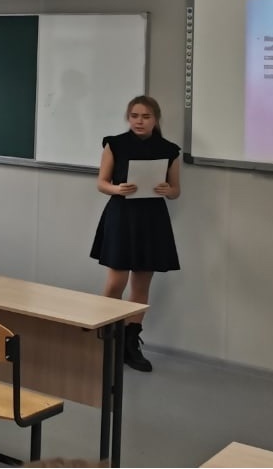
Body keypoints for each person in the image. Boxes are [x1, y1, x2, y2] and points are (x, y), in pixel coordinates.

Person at [90, 95, 181, 372]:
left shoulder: (169, 149)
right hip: (122, 215)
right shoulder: (114, 144)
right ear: (128, 118)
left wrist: (168, 190)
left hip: (152, 218)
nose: (139, 121)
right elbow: (102, 183)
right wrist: (117, 189)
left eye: (146, 117)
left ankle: (130, 343)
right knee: (116, 281)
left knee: (141, 284)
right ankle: (107, 339)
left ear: (156, 119)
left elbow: (176, 191)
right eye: (134, 116)